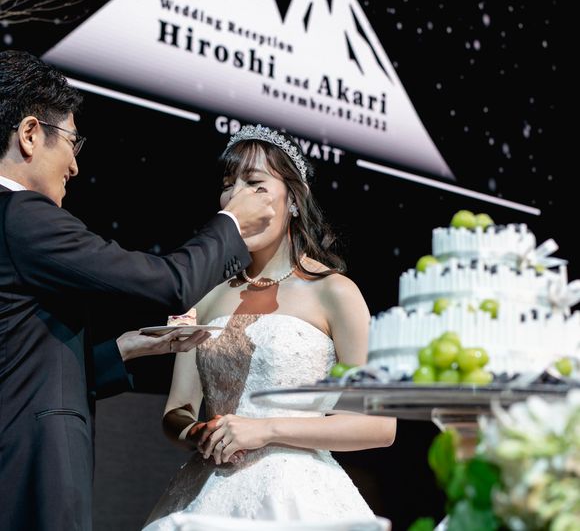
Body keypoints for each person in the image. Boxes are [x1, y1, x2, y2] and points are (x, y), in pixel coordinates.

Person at [0, 50, 275, 531]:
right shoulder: (23, 217)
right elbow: (170, 283)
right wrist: (231, 225)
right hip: (31, 468)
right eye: (72, 142)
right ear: (29, 134)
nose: (75, 166)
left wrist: (126, 349)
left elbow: (21, 359)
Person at [143, 124, 396, 529]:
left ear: (294, 199)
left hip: (298, 496)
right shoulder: (204, 294)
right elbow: (177, 410)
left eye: (255, 184)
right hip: (208, 491)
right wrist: (200, 432)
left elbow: (379, 425)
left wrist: (265, 430)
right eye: (229, 185)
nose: (237, 197)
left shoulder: (335, 292)